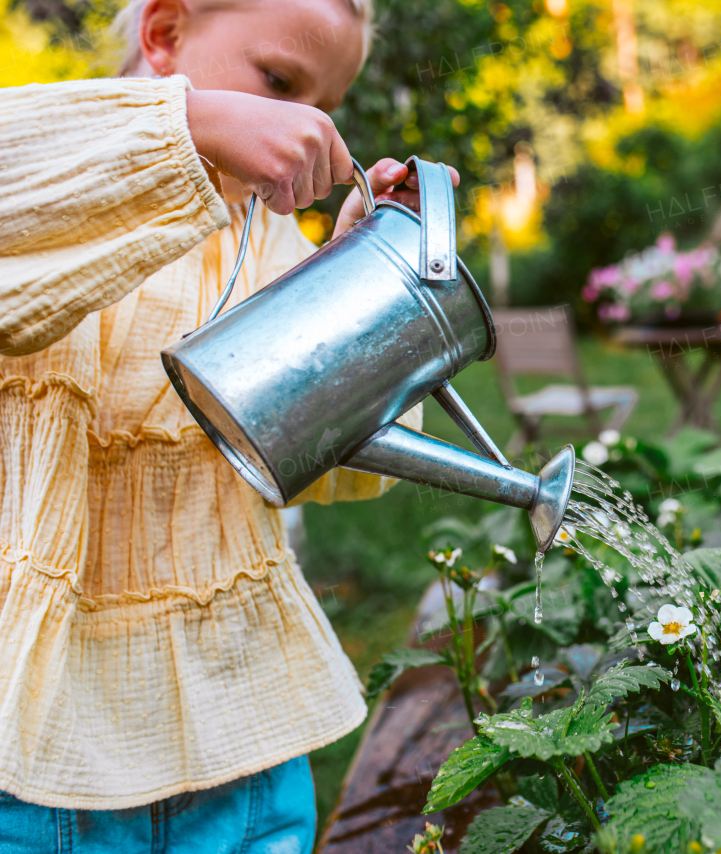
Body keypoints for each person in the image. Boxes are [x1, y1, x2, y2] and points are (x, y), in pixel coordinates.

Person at [0, 0, 457, 849]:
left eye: (324, 103)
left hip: (241, 741)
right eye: (279, 84)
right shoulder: (63, 175)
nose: (304, 124)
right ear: (165, 34)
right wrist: (195, 122)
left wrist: (349, 288)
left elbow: (322, 464)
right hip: (39, 758)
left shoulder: (267, 238)